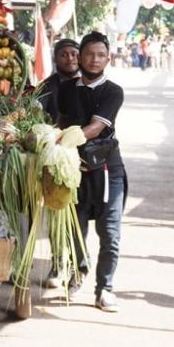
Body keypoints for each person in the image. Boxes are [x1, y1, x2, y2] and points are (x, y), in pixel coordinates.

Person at [56, 31, 125, 312]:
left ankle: (105, 288)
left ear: (108, 58)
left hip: (107, 170)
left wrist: (66, 140)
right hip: (73, 169)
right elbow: (60, 120)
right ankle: (77, 272)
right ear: (80, 57)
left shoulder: (113, 91)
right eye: (89, 54)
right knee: (75, 228)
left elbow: (97, 127)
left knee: (109, 232)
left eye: (100, 55)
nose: (94, 60)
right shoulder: (67, 88)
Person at [38, 39, 80, 122]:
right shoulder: (46, 87)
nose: (70, 58)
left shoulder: (90, 83)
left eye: (74, 54)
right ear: (55, 59)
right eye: (64, 55)